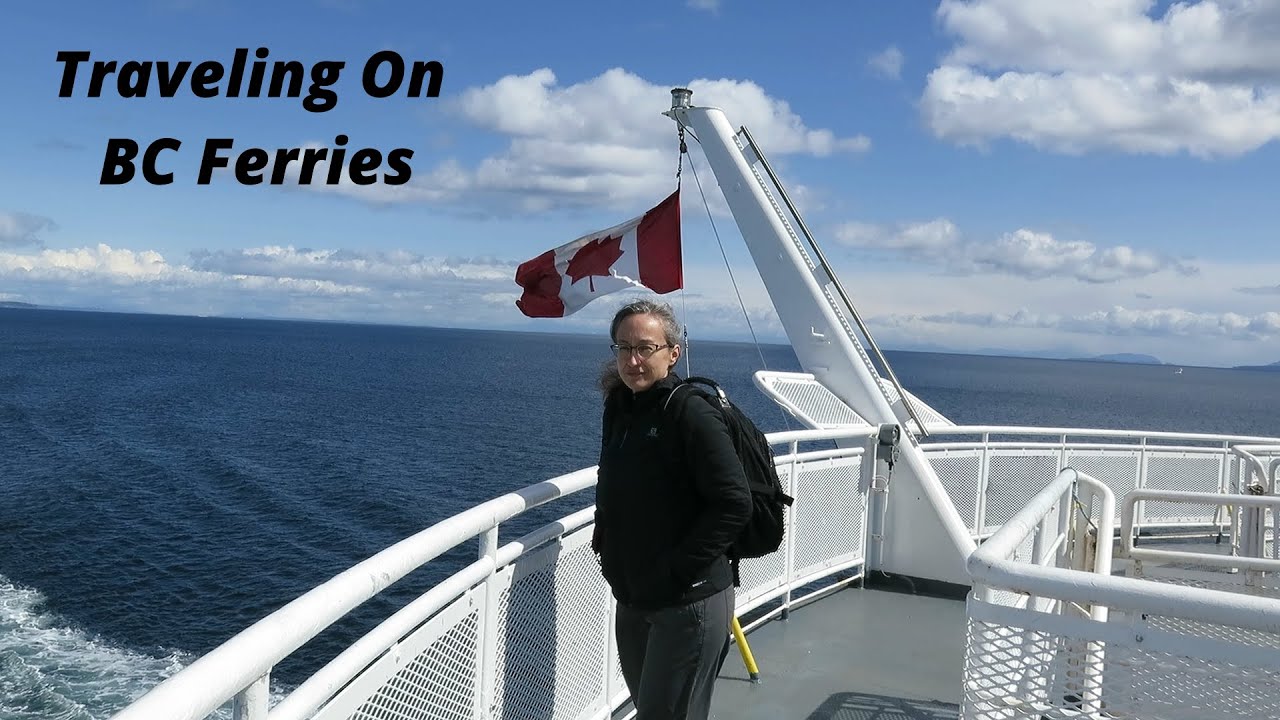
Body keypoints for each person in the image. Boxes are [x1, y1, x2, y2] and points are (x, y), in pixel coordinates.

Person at [592, 299, 752, 720]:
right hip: (634, 596)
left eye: (646, 348)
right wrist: (605, 541)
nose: (633, 360)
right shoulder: (620, 407)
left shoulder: (689, 411)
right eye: (624, 348)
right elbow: (613, 480)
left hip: (688, 602)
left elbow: (734, 503)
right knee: (653, 710)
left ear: (673, 353)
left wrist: (675, 574)